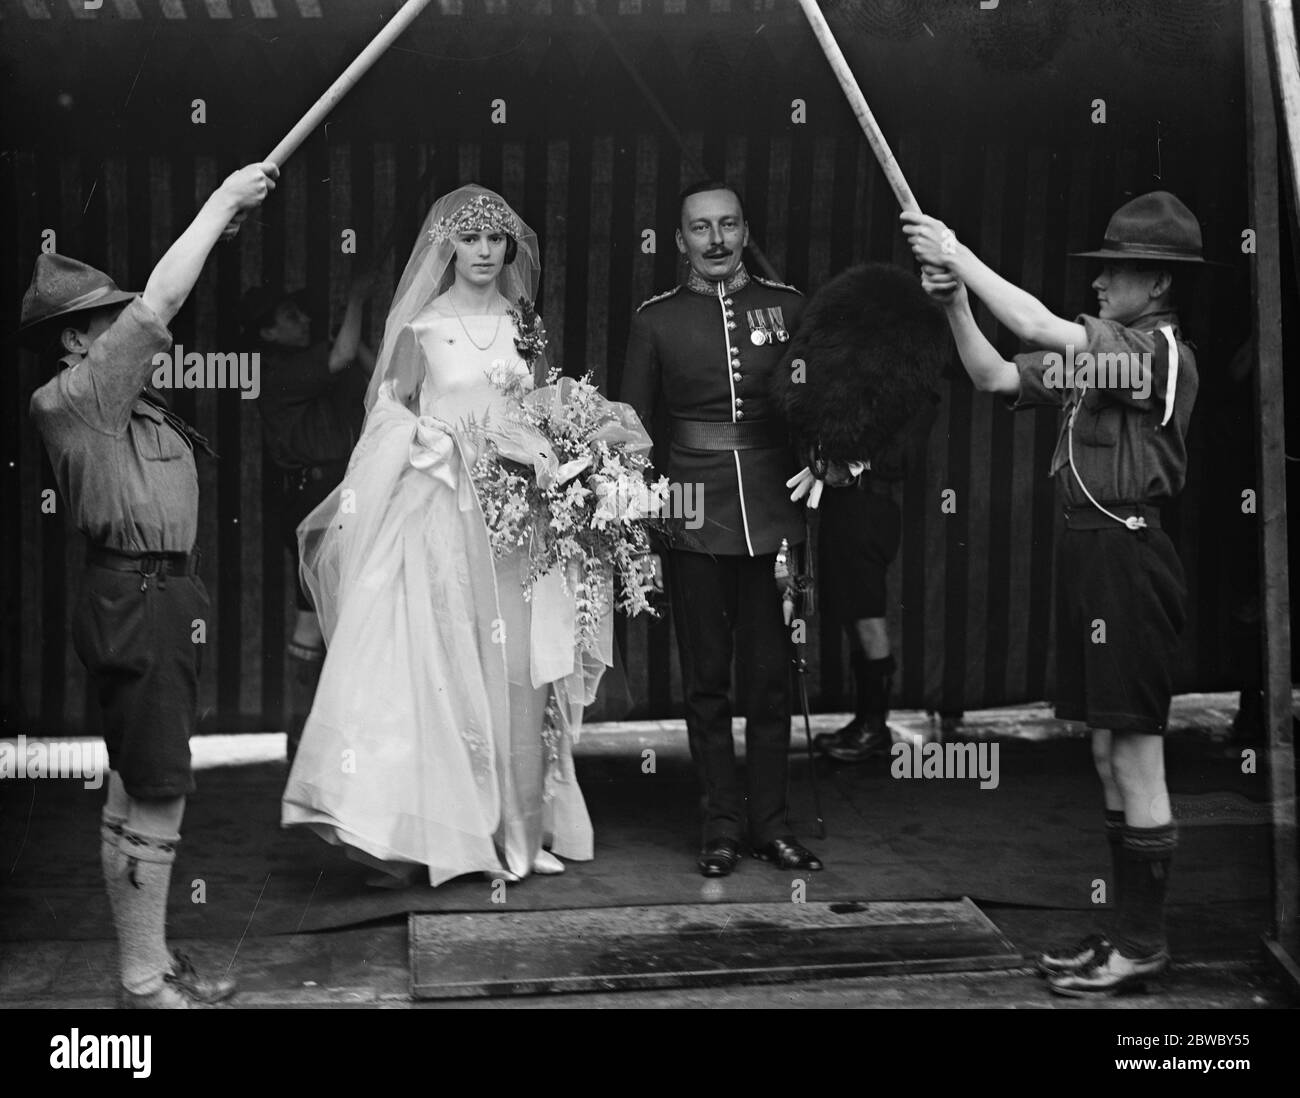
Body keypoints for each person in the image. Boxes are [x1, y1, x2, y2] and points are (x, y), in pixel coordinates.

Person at [904, 190, 1210, 996]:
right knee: (1109, 752)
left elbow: (1040, 329)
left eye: (1119, 269)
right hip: (1089, 560)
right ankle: (1128, 933)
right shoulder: (1104, 348)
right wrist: (958, 305)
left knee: (1137, 756)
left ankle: (1143, 944)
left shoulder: (1156, 353)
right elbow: (997, 375)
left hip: (1130, 559)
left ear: (1161, 286)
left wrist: (959, 251)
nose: (1103, 281)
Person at [282, 185, 604, 887]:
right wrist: (439, 441)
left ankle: (521, 830)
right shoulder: (424, 327)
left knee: (522, 675)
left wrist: (558, 454)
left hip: (518, 524)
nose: (485, 251)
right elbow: (388, 413)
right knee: (452, 666)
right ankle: (453, 833)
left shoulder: (526, 322)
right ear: (447, 247)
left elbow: (542, 407)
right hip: (443, 517)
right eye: (471, 239)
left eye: (496, 240)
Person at [22, 162, 277, 1007]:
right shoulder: (77, 397)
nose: (136, 332)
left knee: (138, 778)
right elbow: (161, 303)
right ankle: (141, 977)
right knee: (159, 789)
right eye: (109, 322)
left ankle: (148, 962)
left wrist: (218, 227)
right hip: (140, 601)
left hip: (156, 597)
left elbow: (160, 305)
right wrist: (218, 202)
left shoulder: (121, 402)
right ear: (72, 340)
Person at [620, 181, 823, 878]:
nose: (716, 240)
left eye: (729, 225)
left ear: (744, 230)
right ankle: (720, 827)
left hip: (772, 518)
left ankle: (771, 825)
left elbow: (818, 407)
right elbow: (632, 436)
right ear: (680, 241)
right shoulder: (657, 321)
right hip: (691, 516)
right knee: (707, 681)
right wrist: (643, 532)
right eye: (701, 228)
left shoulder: (789, 308)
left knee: (769, 682)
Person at [241, 278, 375, 761]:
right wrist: (357, 299)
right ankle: (307, 737)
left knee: (333, 616)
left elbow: (379, 374)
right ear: (268, 335)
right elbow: (341, 357)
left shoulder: (314, 363)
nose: (302, 320)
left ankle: (318, 737)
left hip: (339, 494)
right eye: (288, 317)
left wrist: (352, 332)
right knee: (317, 619)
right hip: (311, 501)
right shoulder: (281, 370)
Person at [814, 396, 938, 762]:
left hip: (869, 509)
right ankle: (865, 722)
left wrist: (846, 456)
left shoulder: (915, 396)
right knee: (853, 616)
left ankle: (874, 727)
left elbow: (897, 459)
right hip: (847, 507)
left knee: (867, 617)